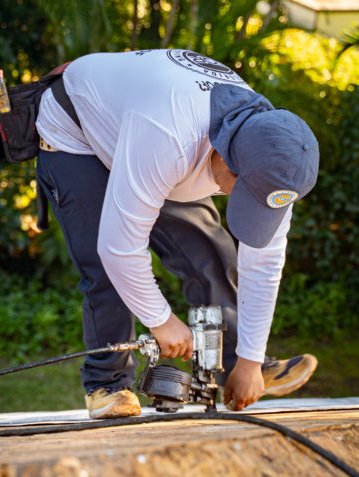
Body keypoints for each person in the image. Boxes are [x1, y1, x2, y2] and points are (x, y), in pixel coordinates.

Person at [34, 49, 319, 419]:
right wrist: (160, 319)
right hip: (77, 132)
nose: (234, 198)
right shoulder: (168, 134)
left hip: (148, 133)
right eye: (239, 188)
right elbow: (119, 248)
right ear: (222, 153)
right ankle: (109, 383)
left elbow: (263, 265)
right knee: (105, 271)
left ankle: (237, 359)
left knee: (209, 252)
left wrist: (250, 360)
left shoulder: (277, 160)